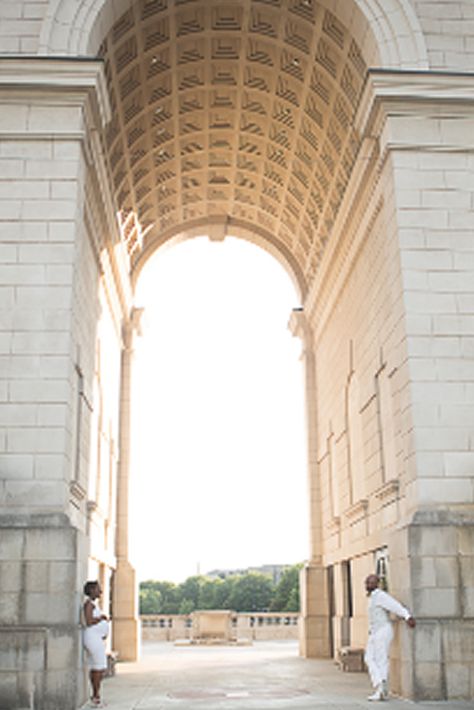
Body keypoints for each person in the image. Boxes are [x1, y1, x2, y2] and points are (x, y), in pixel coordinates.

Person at [364, 574, 415, 701]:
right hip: (374, 632)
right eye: (367, 582)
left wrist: (407, 616)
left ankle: (380, 689)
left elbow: (394, 605)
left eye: (371, 582)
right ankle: (380, 683)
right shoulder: (371, 597)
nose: (368, 585)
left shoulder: (380, 595)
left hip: (383, 631)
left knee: (381, 660)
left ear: (377, 584)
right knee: (369, 658)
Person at [82, 580, 109, 707]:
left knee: (96, 666)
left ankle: (95, 696)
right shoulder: (89, 604)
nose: (100, 591)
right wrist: (101, 618)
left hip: (95, 638)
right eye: (98, 589)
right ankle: (96, 696)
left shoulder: (93, 604)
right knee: (99, 666)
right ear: (92, 590)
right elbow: (89, 621)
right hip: (93, 638)